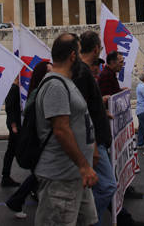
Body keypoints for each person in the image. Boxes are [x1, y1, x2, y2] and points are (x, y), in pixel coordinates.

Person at [74, 31, 144, 226]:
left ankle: (117, 219)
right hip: (93, 141)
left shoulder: (82, 72)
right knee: (107, 186)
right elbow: (80, 113)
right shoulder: (82, 73)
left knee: (100, 186)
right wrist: (94, 145)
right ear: (97, 49)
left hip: (96, 139)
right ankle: (88, 221)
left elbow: (87, 106)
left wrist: (101, 108)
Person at [34, 33, 98, 226]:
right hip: (61, 177)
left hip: (75, 176)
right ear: (72, 56)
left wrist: (91, 149)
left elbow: (78, 118)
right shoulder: (55, 85)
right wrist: (84, 166)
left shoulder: (66, 82)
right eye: (79, 52)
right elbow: (61, 130)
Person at [5, 60, 52, 218]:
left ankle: (19, 200)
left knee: (39, 175)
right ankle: (18, 200)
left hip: (42, 141)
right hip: (40, 142)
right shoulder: (38, 92)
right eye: (49, 72)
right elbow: (29, 114)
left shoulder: (40, 90)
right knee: (40, 174)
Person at [1, 75, 21, 187]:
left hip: (16, 124)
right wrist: (13, 125)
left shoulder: (17, 88)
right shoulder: (13, 88)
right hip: (15, 124)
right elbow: (10, 107)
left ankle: (6, 176)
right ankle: (5, 176)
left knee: (11, 150)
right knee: (13, 150)